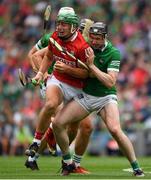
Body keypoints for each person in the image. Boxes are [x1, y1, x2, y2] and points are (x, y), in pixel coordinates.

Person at [52, 22, 145, 177]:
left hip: (106, 97)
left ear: (105, 37)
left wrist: (92, 67)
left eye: (98, 38)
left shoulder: (113, 52)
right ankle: (68, 163)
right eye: (92, 37)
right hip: (87, 96)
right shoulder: (85, 47)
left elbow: (110, 81)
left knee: (115, 129)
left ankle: (136, 167)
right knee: (57, 124)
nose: (94, 41)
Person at [25, 7, 93, 174]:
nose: (60, 27)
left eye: (64, 24)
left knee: (72, 127)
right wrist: (41, 74)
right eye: (59, 23)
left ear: (73, 26)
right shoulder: (54, 36)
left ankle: (37, 157)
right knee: (51, 108)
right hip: (56, 82)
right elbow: (42, 55)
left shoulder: (83, 47)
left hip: (76, 88)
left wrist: (68, 69)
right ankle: (37, 142)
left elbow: (86, 73)